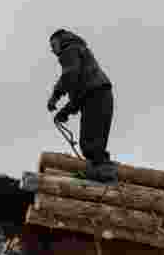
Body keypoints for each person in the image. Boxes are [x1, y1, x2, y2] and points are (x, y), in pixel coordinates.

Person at [46, 28, 119, 184]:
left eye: (53, 45)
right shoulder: (80, 51)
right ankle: (102, 171)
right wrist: (65, 111)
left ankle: (103, 173)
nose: (52, 50)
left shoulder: (69, 50)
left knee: (90, 142)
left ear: (61, 41)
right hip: (101, 95)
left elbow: (70, 75)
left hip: (95, 96)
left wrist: (55, 96)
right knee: (96, 141)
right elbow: (80, 94)